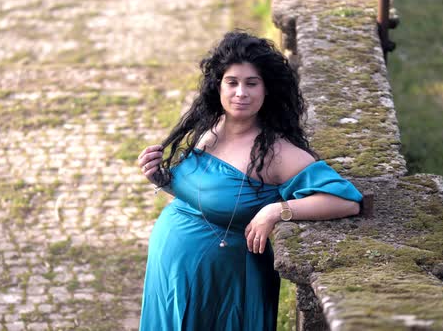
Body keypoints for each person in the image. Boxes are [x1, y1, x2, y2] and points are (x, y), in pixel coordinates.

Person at [136, 31, 362, 330]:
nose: (240, 92)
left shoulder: (277, 153)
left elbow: (346, 200)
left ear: (267, 90)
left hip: (224, 282)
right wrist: (162, 179)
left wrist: (276, 211)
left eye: (251, 83)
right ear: (218, 86)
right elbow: (204, 194)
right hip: (170, 267)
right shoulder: (209, 129)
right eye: (232, 82)